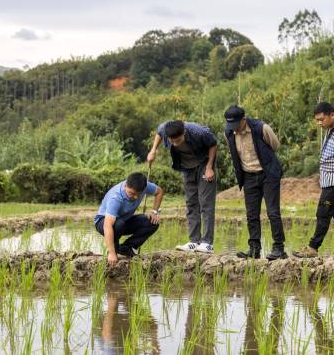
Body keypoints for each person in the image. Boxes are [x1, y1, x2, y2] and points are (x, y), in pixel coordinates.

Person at [293, 102, 334, 258]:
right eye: (317, 120)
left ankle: (313, 247)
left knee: (323, 212)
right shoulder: (332, 129)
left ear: (332, 114)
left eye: (321, 119)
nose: (319, 123)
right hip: (330, 179)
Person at [223, 105, 287, 260]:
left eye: (237, 125)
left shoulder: (261, 128)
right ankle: (254, 249)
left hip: (268, 174)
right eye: (231, 126)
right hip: (248, 176)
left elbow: (275, 146)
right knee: (251, 214)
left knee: (273, 212)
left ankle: (279, 248)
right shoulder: (229, 133)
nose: (235, 129)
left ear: (244, 120)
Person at [147, 120, 218, 253]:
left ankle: (207, 243)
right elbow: (159, 133)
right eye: (172, 141)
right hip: (186, 167)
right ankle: (194, 241)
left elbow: (213, 144)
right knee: (191, 203)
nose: (175, 144)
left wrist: (209, 167)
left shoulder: (198, 131)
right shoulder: (164, 128)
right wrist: (153, 150)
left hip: (204, 164)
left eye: (178, 140)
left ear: (184, 133)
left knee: (205, 203)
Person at [94, 172, 164, 266]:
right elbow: (107, 225)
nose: (135, 197)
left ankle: (127, 247)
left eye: (138, 194)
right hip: (103, 222)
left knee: (153, 223)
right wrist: (111, 253)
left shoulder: (144, 185)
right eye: (132, 193)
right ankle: (114, 249)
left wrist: (155, 212)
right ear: (126, 185)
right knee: (118, 224)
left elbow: (159, 192)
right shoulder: (116, 197)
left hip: (124, 221)